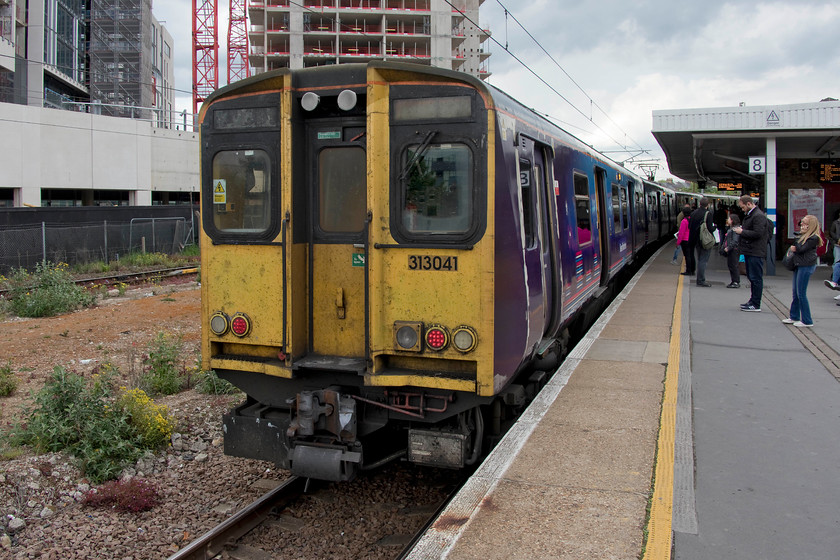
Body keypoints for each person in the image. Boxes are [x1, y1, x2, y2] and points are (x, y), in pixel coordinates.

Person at [782, 215, 822, 327]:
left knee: (801, 293)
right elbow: (797, 246)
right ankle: (794, 316)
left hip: (806, 266)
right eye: (802, 223)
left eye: (804, 223)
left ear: (811, 225)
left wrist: (798, 242)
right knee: (796, 293)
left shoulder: (813, 238)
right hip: (799, 265)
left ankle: (807, 320)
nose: (802, 225)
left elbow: (800, 249)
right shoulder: (804, 236)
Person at [732, 195, 769, 312]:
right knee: (752, 277)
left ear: (749, 204)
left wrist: (742, 231)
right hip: (750, 250)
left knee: (756, 278)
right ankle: (752, 301)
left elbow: (758, 233)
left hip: (755, 251)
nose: (742, 209)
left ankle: (755, 304)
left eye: (742, 207)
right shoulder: (752, 215)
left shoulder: (758, 216)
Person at [688, 197, 716, 286]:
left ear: (699, 204)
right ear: (707, 205)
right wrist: (715, 227)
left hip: (695, 240)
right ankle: (701, 280)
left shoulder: (693, 213)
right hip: (704, 240)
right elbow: (710, 228)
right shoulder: (708, 214)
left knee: (700, 258)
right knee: (703, 260)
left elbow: (689, 226)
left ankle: (699, 279)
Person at [721, 213, 741, 288]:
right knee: (731, 265)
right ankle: (734, 281)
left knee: (733, 265)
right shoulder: (731, 229)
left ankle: (736, 281)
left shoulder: (735, 230)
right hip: (732, 249)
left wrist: (728, 248)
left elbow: (735, 241)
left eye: (729, 219)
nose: (727, 220)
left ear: (732, 220)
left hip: (733, 250)